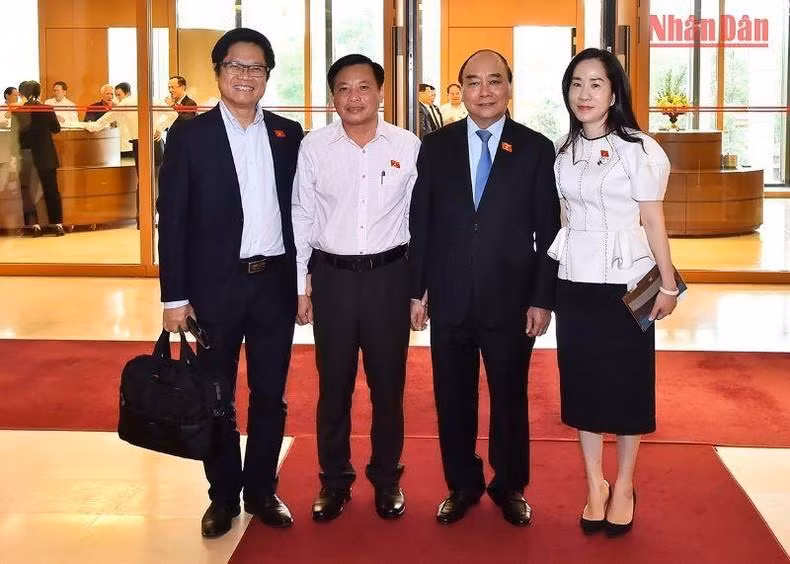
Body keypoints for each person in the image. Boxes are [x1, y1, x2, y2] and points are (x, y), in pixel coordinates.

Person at [158, 27, 303, 539]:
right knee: (216, 395)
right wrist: (174, 297)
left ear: (267, 76)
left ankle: (262, 488)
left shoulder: (288, 135)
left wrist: (304, 284)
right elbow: (171, 218)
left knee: (270, 394)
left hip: (274, 287)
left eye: (256, 67)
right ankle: (222, 495)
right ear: (218, 72)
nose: (246, 76)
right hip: (214, 290)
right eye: (235, 66)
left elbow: (301, 215)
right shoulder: (190, 135)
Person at [408, 49, 560, 527]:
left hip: (510, 299)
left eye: (495, 81)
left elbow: (549, 231)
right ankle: (463, 484)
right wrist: (418, 290)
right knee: (452, 398)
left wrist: (541, 297)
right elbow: (422, 223)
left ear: (509, 87)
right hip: (449, 295)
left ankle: (509, 485)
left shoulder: (535, 148)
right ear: (461, 90)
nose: (485, 90)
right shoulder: (435, 146)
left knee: (509, 397)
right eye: (473, 82)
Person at [549, 47, 676, 537]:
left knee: (627, 383)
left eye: (596, 83)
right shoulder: (563, 149)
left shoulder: (640, 149)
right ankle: (594, 484)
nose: (585, 94)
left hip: (634, 284)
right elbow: (563, 217)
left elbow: (653, 220)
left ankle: (624, 484)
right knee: (581, 384)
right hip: (575, 283)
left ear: (614, 92)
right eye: (577, 83)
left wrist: (669, 284)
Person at [292, 54, 420, 522]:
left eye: (363, 87)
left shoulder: (407, 146)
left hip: (390, 277)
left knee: (389, 387)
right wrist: (301, 286)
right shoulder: (314, 147)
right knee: (334, 386)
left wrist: (418, 291)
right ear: (333, 96)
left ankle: (387, 480)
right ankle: (334, 481)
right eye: (343, 88)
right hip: (333, 279)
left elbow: (418, 221)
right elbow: (302, 215)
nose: (354, 97)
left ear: (380, 92)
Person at [17, 81, 64, 236]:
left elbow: (16, 137)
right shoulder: (47, 109)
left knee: (28, 192)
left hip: (27, 156)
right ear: (39, 92)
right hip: (46, 156)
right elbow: (56, 129)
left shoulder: (18, 112)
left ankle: (34, 226)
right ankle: (57, 225)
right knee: (51, 191)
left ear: (22, 93)